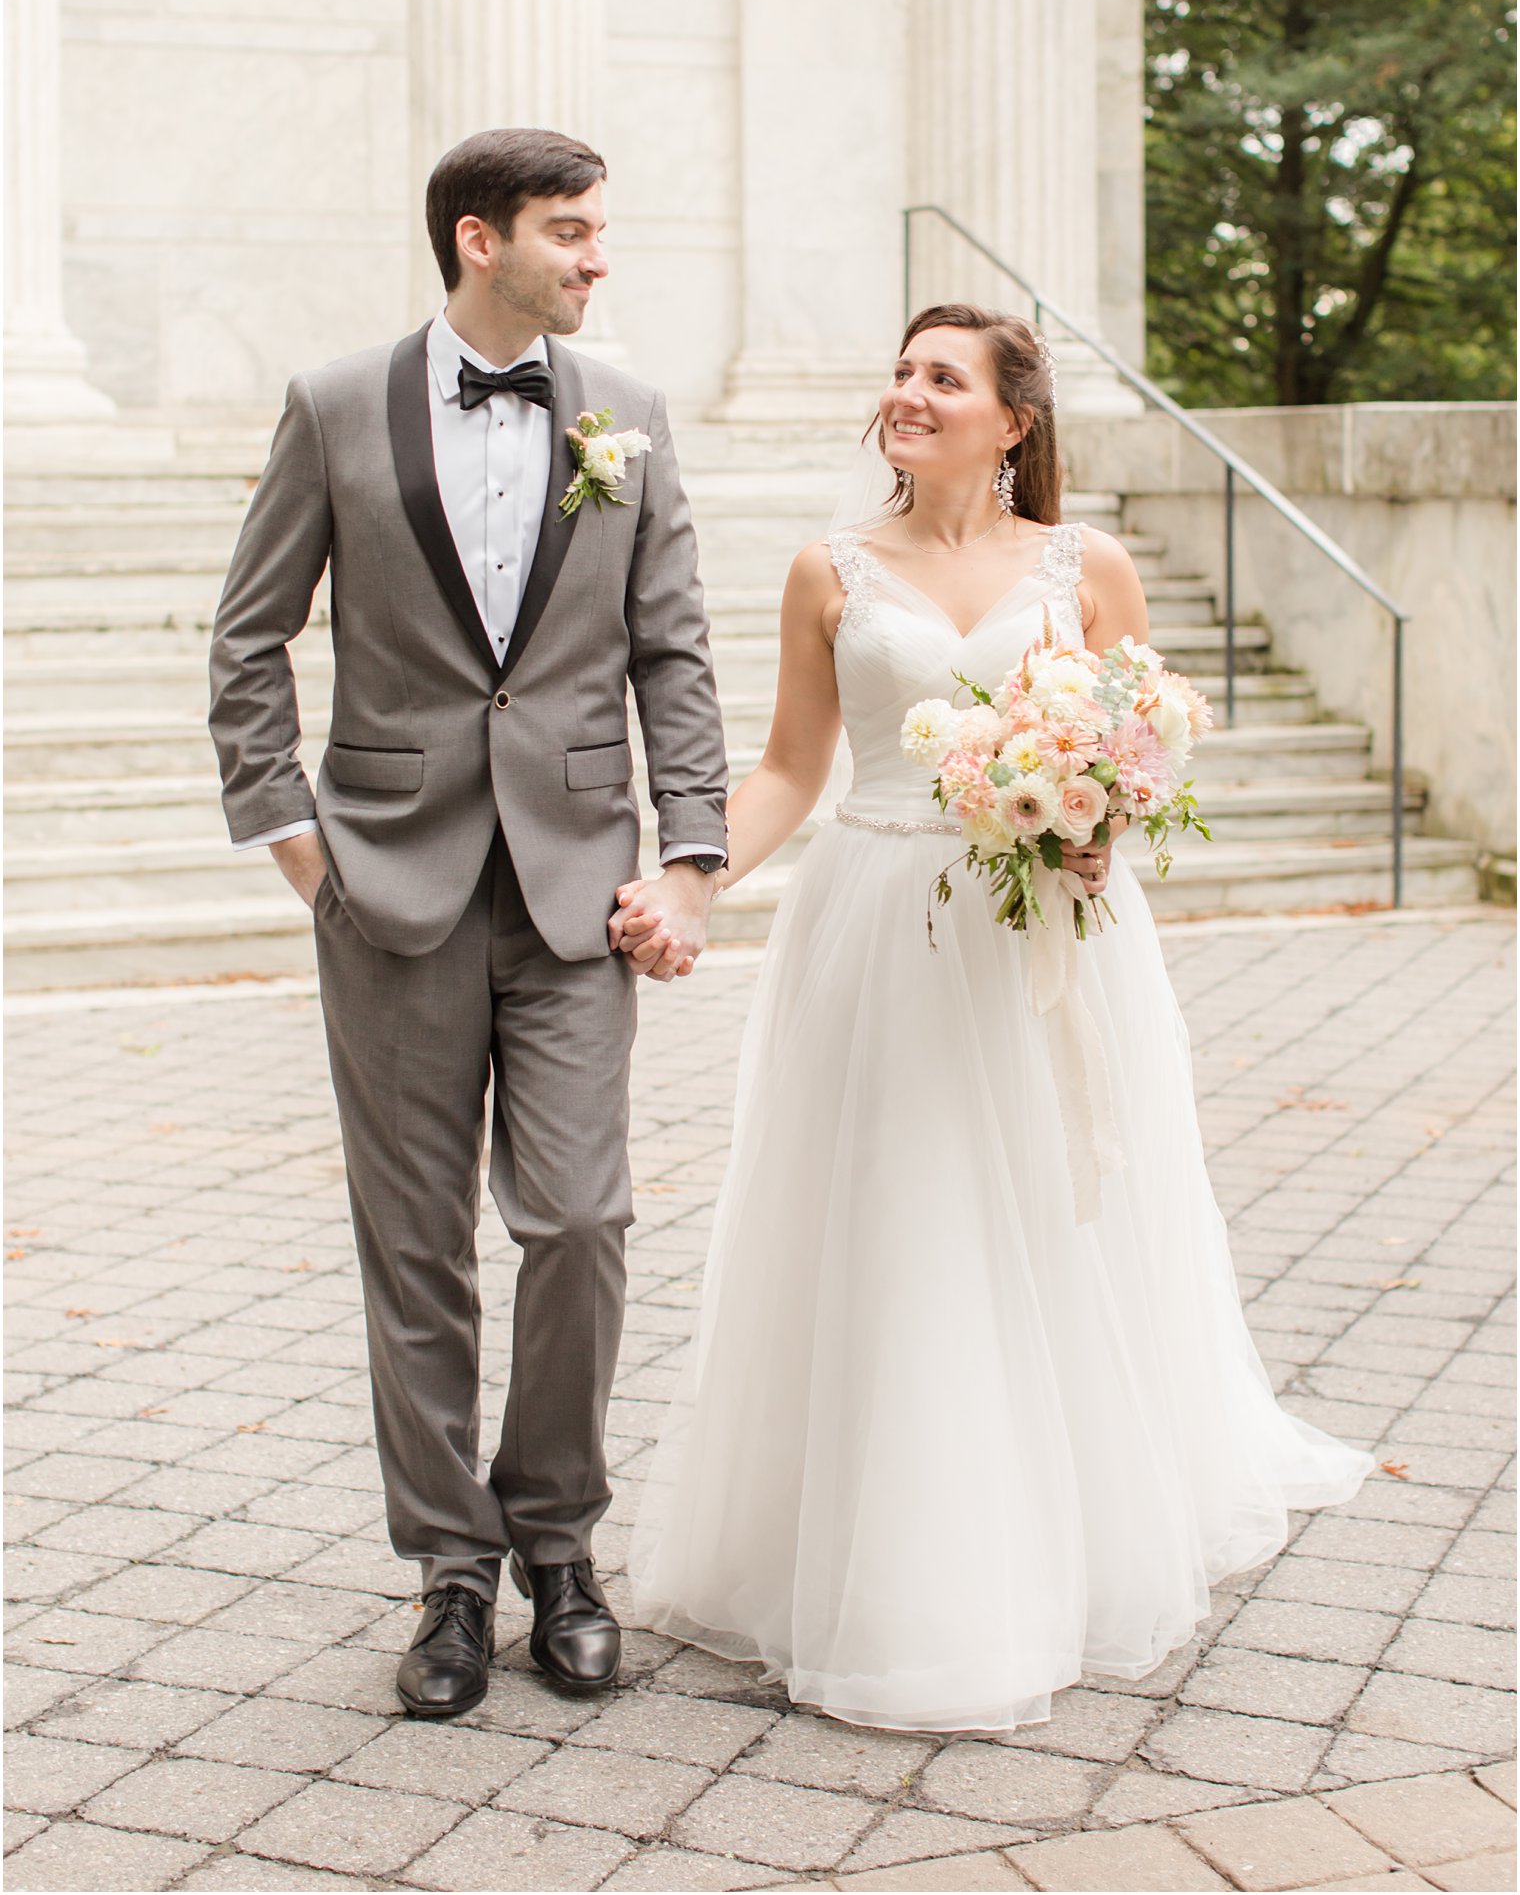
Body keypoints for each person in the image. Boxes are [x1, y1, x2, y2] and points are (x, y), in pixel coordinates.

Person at [622, 302, 1370, 1734]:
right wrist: (694, 877)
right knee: (905, 1216)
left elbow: (1134, 749)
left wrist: (1102, 832)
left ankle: (1073, 1520)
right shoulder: (827, 571)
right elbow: (785, 767)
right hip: (880, 923)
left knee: (1048, 1211)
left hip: (1050, 935)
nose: (907, 392)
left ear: (1013, 419)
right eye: (899, 370)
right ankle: (892, 1557)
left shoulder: (1086, 567)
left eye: (941, 378)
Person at [208, 128, 728, 1718]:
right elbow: (247, 645)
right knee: (415, 1245)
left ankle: (559, 1541)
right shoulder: (332, 405)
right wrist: (308, 858)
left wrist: (691, 856)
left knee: (578, 1219)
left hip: (578, 890)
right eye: (571, 231)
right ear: (476, 238)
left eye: (598, 232)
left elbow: (673, 655)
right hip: (391, 888)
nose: (597, 258)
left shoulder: (626, 415)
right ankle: (449, 1568)